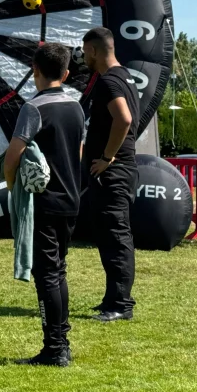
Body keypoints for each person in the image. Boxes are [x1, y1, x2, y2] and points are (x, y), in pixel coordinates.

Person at [3, 43, 86, 366]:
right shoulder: (77, 107)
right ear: (66, 74)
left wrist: (13, 187)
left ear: (33, 70)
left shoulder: (33, 108)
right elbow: (77, 152)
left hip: (43, 203)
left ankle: (55, 348)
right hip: (70, 200)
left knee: (46, 274)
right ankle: (61, 341)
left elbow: (13, 156)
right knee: (59, 270)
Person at [81, 27, 140, 322]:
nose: (83, 57)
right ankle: (111, 299)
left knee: (116, 236)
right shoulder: (125, 76)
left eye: (84, 51)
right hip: (121, 170)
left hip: (114, 172)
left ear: (93, 50)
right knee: (110, 235)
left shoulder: (108, 81)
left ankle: (120, 304)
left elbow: (124, 119)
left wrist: (107, 157)